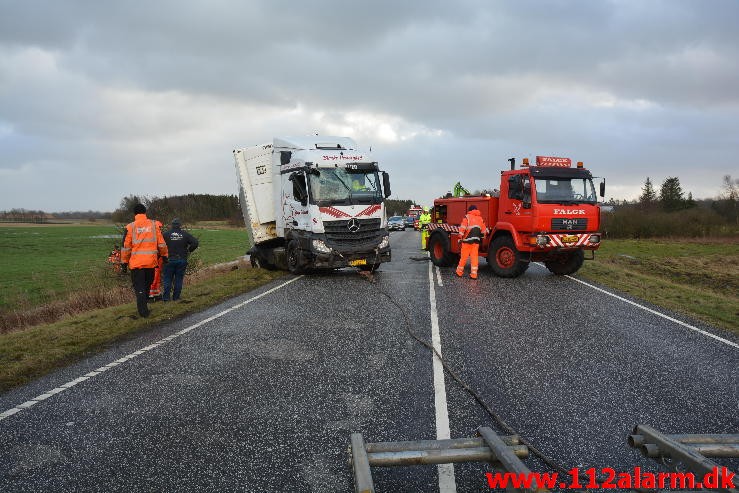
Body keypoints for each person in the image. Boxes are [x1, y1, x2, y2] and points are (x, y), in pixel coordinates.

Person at [121, 204, 168, 317]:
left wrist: (124, 263)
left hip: (137, 264)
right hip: (151, 263)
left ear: (134, 213)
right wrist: (165, 255)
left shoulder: (130, 227)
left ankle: (143, 311)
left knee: (139, 287)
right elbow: (161, 243)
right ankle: (144, 308)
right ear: (145, 212)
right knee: (147, 285)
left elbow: (126, 247)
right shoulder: (154, 225)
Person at [161, 218, 199, 301]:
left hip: (168, 260)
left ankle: (166, 298)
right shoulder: (185, 234)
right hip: (181, 260)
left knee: (167, 279)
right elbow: (195, 242)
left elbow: (159, 245)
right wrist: (189, 250)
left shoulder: (165, 234)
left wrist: (162, 256)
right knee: (179, 279)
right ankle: (176, 297)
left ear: (171, 225)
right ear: (180, 226)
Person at [456, 205, 486, 279]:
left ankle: (459, 272)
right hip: (476, 242)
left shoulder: (467, 217)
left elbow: (462, 228)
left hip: (466, 241)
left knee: (463, 258)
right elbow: (483, 231)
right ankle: (474, 274)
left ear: (470, 210)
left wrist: (460, 237)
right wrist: (481, 238)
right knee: (474, 258)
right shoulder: (480, 219)